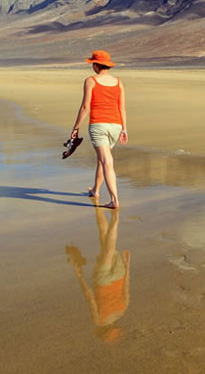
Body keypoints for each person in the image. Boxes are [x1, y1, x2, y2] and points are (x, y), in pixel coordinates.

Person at [70, 50, 127, 209]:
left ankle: (114, 201)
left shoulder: (91, 81)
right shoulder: (118, 82)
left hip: (98, 125)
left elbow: (85, 106)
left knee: (107, 161)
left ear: (96, 65)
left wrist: (75, 127)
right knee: (102, 159)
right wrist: (124, 129)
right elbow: (122, 108)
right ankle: (95, 190)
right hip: (116, 126)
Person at [66, 208, 131, 343]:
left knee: (105, 242)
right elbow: (89, 296)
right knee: (108, 248)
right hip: (103, 280)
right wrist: (80, 277)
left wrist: (127, 265)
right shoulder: (99, 320)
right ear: (102, 331)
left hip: (119, 275)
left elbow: (126, 288)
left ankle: (99, 208)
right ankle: (115, 219)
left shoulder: (122, 310)